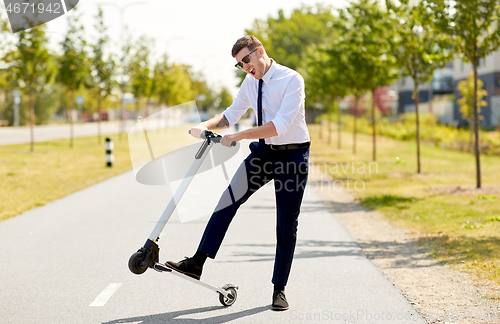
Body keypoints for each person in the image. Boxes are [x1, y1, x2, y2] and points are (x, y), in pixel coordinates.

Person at [165, 35, 310, 311]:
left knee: (286, 223)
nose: (245, 67)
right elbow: (231, 114)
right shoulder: (250, 81)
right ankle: (197, 262)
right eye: (239, 65)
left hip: (293, 156)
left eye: (246, 60)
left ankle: (279, 289)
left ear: (260, 52)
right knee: (227, 200)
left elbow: (280, 125)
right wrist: (205, 125)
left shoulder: (292, 80)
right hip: (265, 154)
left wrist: (241, 136)